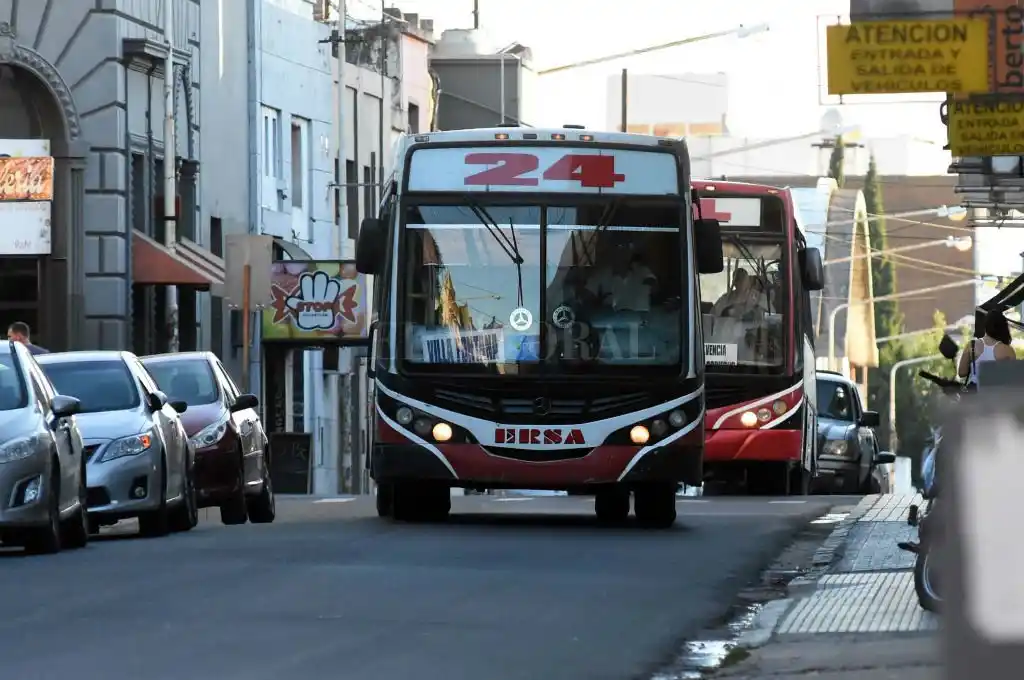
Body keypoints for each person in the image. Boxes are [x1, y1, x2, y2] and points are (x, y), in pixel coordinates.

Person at [586, 246, 657, 312]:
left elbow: (655, 288)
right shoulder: (602, 274)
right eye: (620, 247)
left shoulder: (643, 271)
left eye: (629, 246)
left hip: (639, 320)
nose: (625, 251)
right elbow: (587, 296)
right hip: (611, 321)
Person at [958, 309, 1015, 386]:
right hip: (997, 394)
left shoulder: (971, 345)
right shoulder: (1008, 350)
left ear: (985, 325)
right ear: (1003, 327)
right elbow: (1013, 378)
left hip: (974, 394)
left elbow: (962, 373)